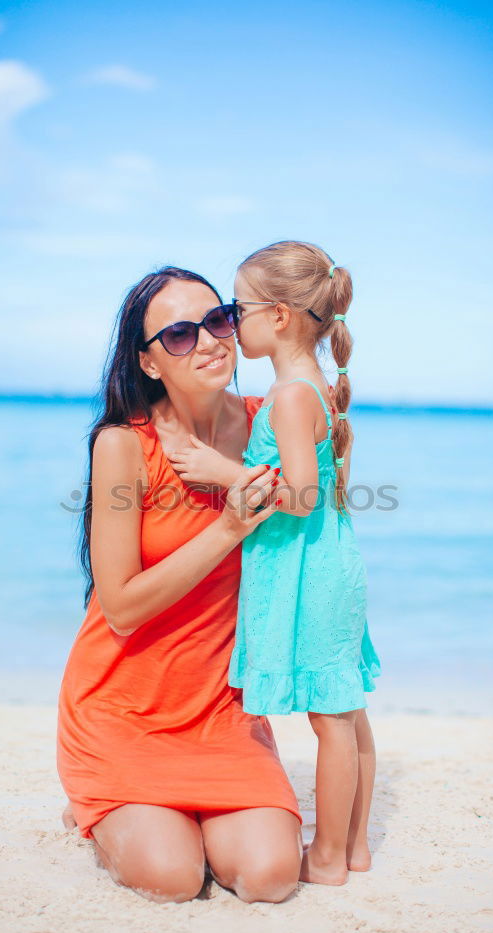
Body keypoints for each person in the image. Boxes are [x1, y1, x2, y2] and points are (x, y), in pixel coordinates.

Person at [57, 266, 303, 905]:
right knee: (171, 878)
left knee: (270, 877)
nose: (211, 341)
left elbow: (322, 508)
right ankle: (100, 807)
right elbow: (120, 607)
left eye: (218, 320)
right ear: (148, 362)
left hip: (223, 712)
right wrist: (227, 527)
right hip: (124, 706)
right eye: (180, 334)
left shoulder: (267, 426)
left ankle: (168, 816)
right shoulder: (123, 445)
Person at [170, 241, 381, 886]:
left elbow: (300, 495)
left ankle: (327, 856)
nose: (231, 324)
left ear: (281, 316)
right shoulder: (311, 385)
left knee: (331, 719)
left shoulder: (290, 395)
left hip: (310, 572)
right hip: (330, 561)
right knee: (347, 712)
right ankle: (356, 846)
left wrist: (221, 470)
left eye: (237, 308)